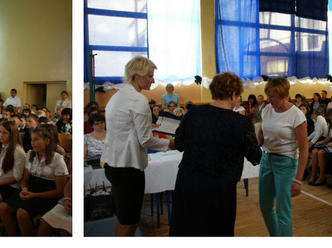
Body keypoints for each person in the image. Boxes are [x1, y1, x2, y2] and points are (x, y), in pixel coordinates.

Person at [170, 72, 262, 236]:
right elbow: (255, 157)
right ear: (233, 94)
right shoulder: (241, 122)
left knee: (186, 230)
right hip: (219, 187)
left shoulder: (193, 113)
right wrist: (259, 141)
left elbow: (179, 144)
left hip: (188, 181)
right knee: (216, 232)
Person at [101, 56, 174, 236]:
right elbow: (145, 140)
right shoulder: (137, 99)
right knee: (131, 221)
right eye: (150, 76)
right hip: (128, 166)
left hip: (113, 164)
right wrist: (170, 142)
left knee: (123, 217)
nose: (153, 81)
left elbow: (128, 131)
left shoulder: (116, 96)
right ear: (137, 76)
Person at [258, 76, 309, 237]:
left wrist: (298, 179)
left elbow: (304, 149)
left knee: (282, 210)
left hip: (286, 164)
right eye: (268, 96)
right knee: (265, 206)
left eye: (272, 96)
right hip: (266, 160)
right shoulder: (267, 110)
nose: (269, 100)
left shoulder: (296, 115)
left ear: (284, 95)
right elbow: (261, 133)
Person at [0, 125, 69, 236]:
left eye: (36, 140)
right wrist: (24, 189)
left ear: (47, 141)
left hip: (47, 195)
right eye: (32, 140)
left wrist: (34, 195)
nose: (32, 143)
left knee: (21, 213)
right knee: (4, 207)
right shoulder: (31, 154)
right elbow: (25, 180)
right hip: (31, 190)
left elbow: (60, 192)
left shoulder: (57, 159)